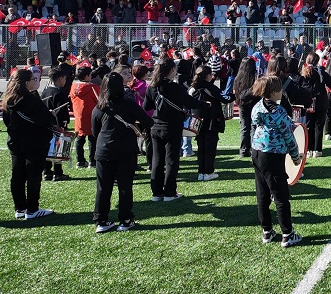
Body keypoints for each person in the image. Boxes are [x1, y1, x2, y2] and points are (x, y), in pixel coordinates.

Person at [91, 72, 153, 233]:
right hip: (125, 150)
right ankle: (125, 219)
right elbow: (148, 121)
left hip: (104, 150)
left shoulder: (99, 107)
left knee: (103, 187)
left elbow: (95, 131)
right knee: (125, 186)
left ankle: (101, 220)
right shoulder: (129, 104)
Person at [250, 75, 304, 247]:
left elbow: (256, 122)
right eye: (280, 89)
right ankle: (287, 234)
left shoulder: (258, 106)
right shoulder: (278, 111)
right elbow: (289, 137)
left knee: (262, 194)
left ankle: (267, 232)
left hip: (257, 151)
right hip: (272, 155)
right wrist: (296, 157)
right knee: (280, 196)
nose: (282, 92)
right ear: (273, 92)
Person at [144, 59, 205, 202]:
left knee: (157, 160)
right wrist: (204, 104)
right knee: (171, 160)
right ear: (171, 70)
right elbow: (190, 102)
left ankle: (156, 192)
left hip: (156, 126)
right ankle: (169, 193)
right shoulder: (176, 87)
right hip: (172, 127)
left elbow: (147, 107)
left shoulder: (152, 87)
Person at [2, 68, 57, 220]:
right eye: (33, 79)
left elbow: (7, 121)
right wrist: (50, 114)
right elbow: (45, 120)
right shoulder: (31, 99)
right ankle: (32, 209)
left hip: (15, 141)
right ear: (27, 83)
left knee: (17, 175)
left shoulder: (9, 98)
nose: (35, 81)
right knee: (33, 176)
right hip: (34, 142)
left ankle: (20, 208)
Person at [191, 65, 233, 181]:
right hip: (211, 121)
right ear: (208, 76)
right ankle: (208, 172)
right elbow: (224, 98)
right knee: (210, 147)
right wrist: (235, 95)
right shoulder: (209, 87)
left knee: (201, 147)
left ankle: (201, 172)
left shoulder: (193, 87)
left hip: (198, 121)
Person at [295, 52, 331, 158]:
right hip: (320, 102)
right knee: (319, 126)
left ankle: (309, 149)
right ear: (317, 61)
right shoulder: (321, 73)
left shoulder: (303, 73)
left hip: (308, 103)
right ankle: (317, 150)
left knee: (309, 126)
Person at [39, 68, 71, 182]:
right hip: (56, 125)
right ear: (60, 78)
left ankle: (47, 171)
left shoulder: (45, 91)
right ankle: (58, 173)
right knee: (58, 149)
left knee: (48, 149)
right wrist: (63, 125)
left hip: (46, 125)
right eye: (65, 79)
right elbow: (61, 112)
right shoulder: (59, 93)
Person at [70, 66, 100, 169]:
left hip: (79, 115)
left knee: (80, 138)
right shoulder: (92, 87)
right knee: (92, 138)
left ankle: (80, 161)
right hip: (91, 115)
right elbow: (98, 100)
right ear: (87, 76)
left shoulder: (73, 86)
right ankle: (93, 161)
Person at [234, 57, 258, 157]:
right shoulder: (254, 78)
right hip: (253, 103)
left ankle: (243, 150)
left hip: (242, 104)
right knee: (253, 126)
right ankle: (253, 149)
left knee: (244, 127)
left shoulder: (238, 78)